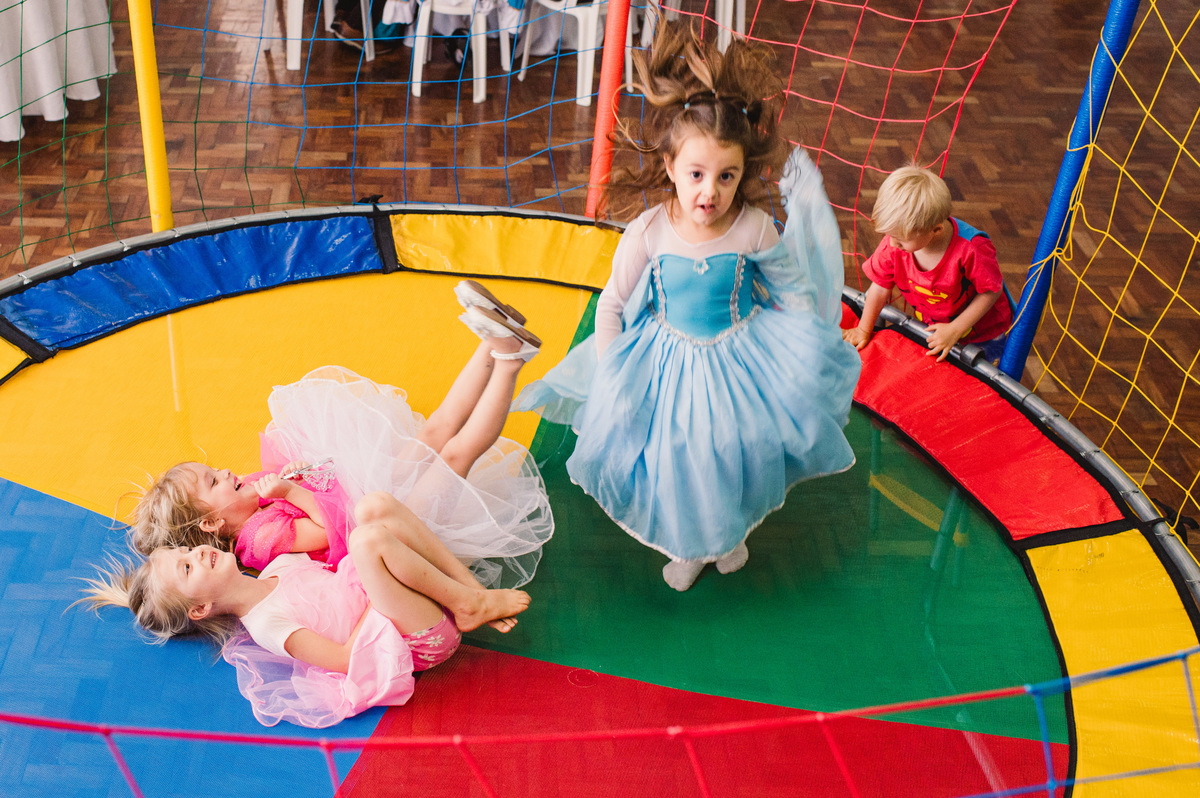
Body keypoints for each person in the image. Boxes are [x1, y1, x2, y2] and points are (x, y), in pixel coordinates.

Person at [513, 23, 861, 591]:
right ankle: (689, 543)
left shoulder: (753, 228)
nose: (710, 192)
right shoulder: (649, 231)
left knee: (735, 445)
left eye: (727, 177)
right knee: (679, 453)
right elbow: (613, 305)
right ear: (671, 167)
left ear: (744, 172)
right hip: (666, 357)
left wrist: (804, 339)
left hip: (739, 354)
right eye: (696, 175)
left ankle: (729, 533)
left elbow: (790, 287)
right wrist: (614, 368)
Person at [129, 281, 552, 590]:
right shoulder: (259, 540)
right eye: (214, 481)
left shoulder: (254, 500)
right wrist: (293, 493)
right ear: (212, 522)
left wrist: (300, 476)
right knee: (457, 454)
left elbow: (322, 490)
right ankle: (510, 360)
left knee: (434, 429)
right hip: (389, 527)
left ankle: (495, 338)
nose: (224, 471)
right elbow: (334, 533)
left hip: (373, 498)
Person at [78, 513, 533, 727]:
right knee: (369, 539)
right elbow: (342, 658)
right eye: (187, 568)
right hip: (413, 642)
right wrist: (378, 597)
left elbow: (336, 568)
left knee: (376, 510)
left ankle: (470, 594)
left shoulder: (278, 568)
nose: (195, 551)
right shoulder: (267, 624)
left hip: (407, 605)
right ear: (199, 610)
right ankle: (469, 605)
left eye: (185, 551)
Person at [842, 165, 1013, 362]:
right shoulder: (896, 245)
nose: (891, 244)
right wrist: (863, 329)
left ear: (936, 230)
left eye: (900, 239)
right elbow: (879, 288)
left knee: (981, 375)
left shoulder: (971, 249)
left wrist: (955, 330)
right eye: (889, 235)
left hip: (983, 332)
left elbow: (991, 291)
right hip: (937, 325)